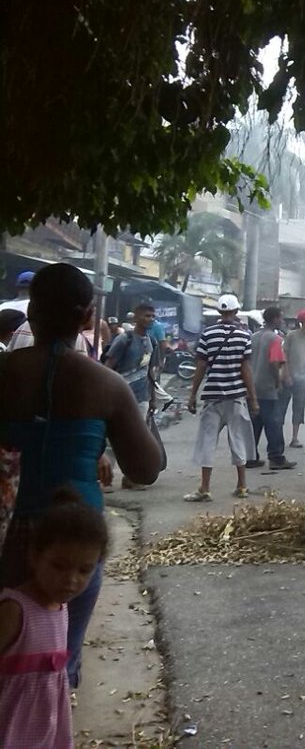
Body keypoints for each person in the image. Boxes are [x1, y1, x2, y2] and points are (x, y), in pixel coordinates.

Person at [0, 263, 160, 688]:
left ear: (31, 311)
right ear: (88, 316)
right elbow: (146, 469)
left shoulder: (6, 372)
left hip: (5, 531)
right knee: (56, 661)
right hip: (75, 541)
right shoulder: (106, 385)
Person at [0, 486, 109, 748]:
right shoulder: (14, 609)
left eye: (84, 570)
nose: (71, 580)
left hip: (46, 729)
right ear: (35, 556)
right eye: (59, 566)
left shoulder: (61, 609)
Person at [185, 294, 259, 501]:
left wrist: (192, 395)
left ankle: (205, 488)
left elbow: (200, 366)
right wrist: (253, 398)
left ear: (219, 311)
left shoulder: (207, 334)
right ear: (236, 312)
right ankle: (242, 486)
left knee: (207, 442)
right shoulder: (245, 336)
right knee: (238, 440)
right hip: (236, 397)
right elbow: (246, 369)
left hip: (213, 396)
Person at [104, 302, 161, 490]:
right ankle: (104, 478)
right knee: (112, 440)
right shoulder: (124, 339)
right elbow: (108, 367)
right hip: (120, 398)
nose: (150, 319)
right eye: (146, 316)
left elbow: (151, 372)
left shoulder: (151, 342)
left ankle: (131, 478)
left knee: (138, 440)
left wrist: (152, 398)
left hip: (142, 397)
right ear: (136, 317)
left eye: (152, 316)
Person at [248, 307, 295, 471]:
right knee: (273, 423)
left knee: (255, 423)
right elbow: (275, 362)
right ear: (275, 319)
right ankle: (276, 457)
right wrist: (278, 382)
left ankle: (250, 457)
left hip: (252, 387)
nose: (282, 321)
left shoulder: (253, 337)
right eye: (281, 318)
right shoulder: (275, 339)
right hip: (267, 387)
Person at [282, 310, 305, 449]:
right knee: (282, 406)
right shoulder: (291, 336)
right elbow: (284, 355)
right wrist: (286, 374)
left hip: (302, 377)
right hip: (288, 376)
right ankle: (278, 436)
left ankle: (294, 437)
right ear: (303, 322)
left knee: (299, 407)